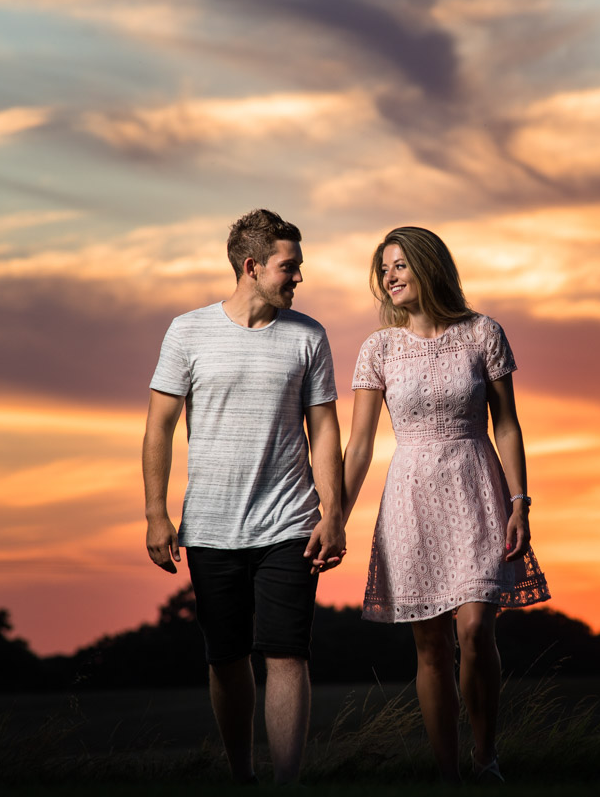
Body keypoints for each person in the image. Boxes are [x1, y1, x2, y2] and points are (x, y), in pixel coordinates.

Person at [142, 208, 345, 786]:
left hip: (290, 522)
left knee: (287, 652)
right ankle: (242, 776)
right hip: (209, 526)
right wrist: (157, 514)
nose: (298, 277)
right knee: (226, 658)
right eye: (289, 266)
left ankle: (286, 783)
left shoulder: (310, 336)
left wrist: (333, 515)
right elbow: (159, 426)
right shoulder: (187, 331)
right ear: (252, 267)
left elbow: (325, 429)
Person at [342, 226, 550, 783]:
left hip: (477, 488)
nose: (389, 276)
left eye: (400, 265)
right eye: (383, 269)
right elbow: (359, 444)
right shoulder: (378, 348)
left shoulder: (483, 333)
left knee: (477, 626)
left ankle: (487, 759)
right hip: (409, 496)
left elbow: (506, 425)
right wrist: (334, 514)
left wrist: (521, 503)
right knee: (430, 645)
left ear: (429, 266)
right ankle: (449, 775)